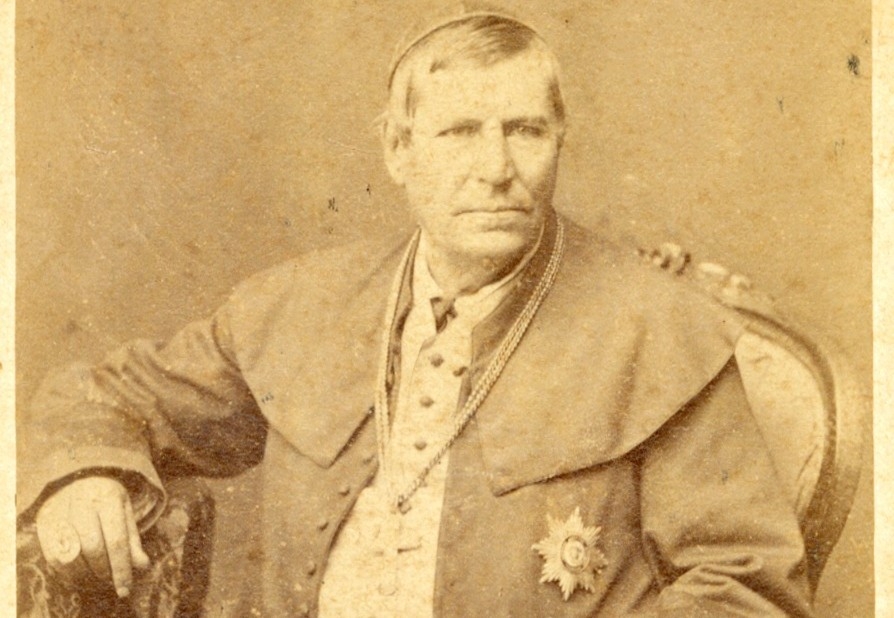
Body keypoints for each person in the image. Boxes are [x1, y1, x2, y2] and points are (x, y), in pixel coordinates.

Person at [18, 6, 814, 617]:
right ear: (398, 151)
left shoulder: (659, 327)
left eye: (525, 131)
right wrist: (86, 473)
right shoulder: (298, 306)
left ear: (560, 139)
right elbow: (110, 397)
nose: (496, 167)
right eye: (460, 132)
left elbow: (744, 588)